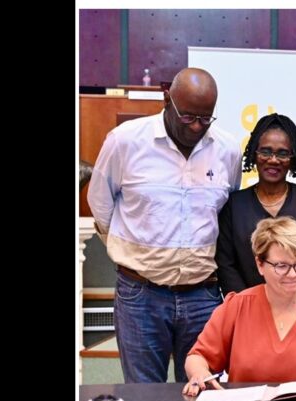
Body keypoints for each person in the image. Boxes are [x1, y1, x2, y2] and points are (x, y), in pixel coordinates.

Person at [88, 68, 242, 383]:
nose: (197, 126)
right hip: (140, 295)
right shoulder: (125, 142)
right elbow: (100, 204)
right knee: (145, 399)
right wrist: (129, 251)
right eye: (187, 117)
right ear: (166, 98)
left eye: (205, 118)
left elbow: (228, 213)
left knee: (204, 395)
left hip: (204, 295)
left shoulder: (227, 150)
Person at [182, 217, 296, 395]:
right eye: (281, 266)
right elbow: (197, 357)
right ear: (260, 264)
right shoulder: (237, 307)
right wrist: (199, 373)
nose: (293, 274)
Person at [216, 113, 296, 295]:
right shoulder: (234, 205)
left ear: (293, 158)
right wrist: (248, 305)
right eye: (266, 151)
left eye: (283, 153)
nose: (273, 159)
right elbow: (225, 264)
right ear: (254, 153)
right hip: (247, 310)